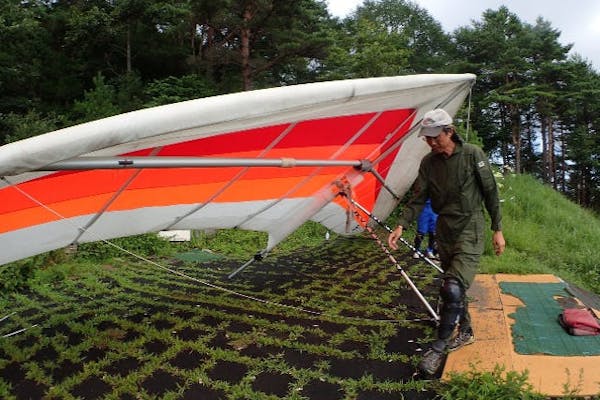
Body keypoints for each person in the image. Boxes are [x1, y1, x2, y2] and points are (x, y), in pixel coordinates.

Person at [387, 108, 505, 376]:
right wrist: (401, 225)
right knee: (452, 282)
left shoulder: (472, 155)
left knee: (451, 288)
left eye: (434, 137)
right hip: (444, 229)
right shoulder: (429, 163)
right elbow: (418, 197)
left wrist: (497, 229)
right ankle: (465, 329)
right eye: (426, 138)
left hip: (470, 226)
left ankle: (438, 347)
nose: (430, 142)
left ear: (449, 131)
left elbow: (490, 192)